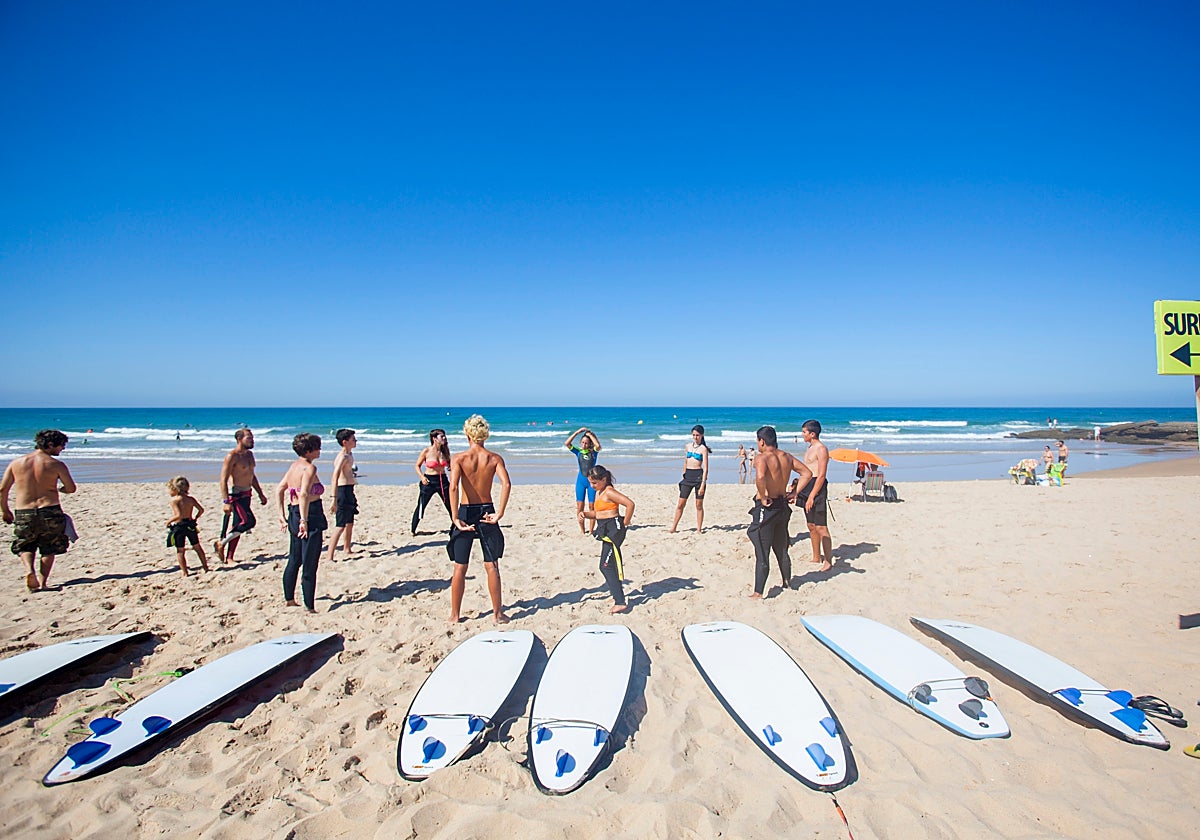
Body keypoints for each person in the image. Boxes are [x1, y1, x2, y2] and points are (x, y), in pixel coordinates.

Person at [447, 415, 512, 624]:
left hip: (466, 511)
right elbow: (506, 484)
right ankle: (497, 614)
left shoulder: (459, 458)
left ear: (467, 434)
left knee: (460, 566)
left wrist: (455, 517)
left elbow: (454, 487)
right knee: (491, 565)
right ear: (485, 435)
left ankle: (455, 615)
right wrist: (500, 512)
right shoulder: (494, 458)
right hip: (486, 510)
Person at [1, 429, 77, 592]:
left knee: (25, 545)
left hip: (24, 511)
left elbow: (3, 489)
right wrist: (60, 490)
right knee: (49, 547)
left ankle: (29, 570)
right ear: (50, 445)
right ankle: (43, 582)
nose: (62, 449)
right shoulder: (55, 464)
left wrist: (5, 510)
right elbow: (71, 488)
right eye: (61, 446)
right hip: (50, 510)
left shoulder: (16, 463)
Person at [747, 426, 812, 599]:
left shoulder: (762, 458)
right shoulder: (786, 457)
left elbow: (760, 477)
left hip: (768, 506)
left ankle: (758, 592)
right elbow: (807, 473)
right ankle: (787, 582)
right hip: (783, 505)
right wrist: (795, 492)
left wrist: (761, 496)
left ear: (761, 441)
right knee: (781, 547)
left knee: (762, 549)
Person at [276, 433, 327, 614]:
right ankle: (309, 606)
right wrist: (304, 521)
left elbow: (280, 489)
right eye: (317, 447)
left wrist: (282, 516)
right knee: (309, 561)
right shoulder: (308, 468)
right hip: (309, 515)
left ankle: (289, 599)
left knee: (295, 558)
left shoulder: (293, 466)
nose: (320, 450)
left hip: (294, 513)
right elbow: (304, 493)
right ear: (309, 450)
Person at [578, 465, 635, 614]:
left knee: (605, 565)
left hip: (614, 530)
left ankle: (620, 602)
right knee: (610, 564)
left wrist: (625, 523)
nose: (592, 486)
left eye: (594, 483)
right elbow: (599, 514)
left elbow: (630, 504)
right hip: (605, 528)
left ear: (604, 479)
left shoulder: (609, 491)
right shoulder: (600, 492)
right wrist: (585, 514)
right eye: (590, 482)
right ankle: (617, 595)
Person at [215, 428, 268, 564]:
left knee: (238, 525)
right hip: (236, 494)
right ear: (239, 439)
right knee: (247, 522)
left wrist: (260, 493)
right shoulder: (232, 456)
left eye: (252, 438)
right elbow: (223, 479)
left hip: (247, 493)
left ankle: (229, 556)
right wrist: (226, 501)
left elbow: (252, 475)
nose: (252, 440)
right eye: (249, 438)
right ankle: (222, 544)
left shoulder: (250, 455)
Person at [792, 419, 832, 572]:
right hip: (807, 485)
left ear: (812, 433)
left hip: (818, 487)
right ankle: (816, 556)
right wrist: (796, 488)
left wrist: (812, 496)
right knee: (811, 525)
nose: (802, 435)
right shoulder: (809, 448)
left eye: (804, 432)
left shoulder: (821, 449)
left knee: (821, 527)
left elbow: (821, 475)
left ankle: (828, 561)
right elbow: (806, 471)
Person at [669, 425, 710, 533]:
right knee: (681, 504)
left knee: (699, 505)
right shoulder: (687, 446)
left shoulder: (703, 449)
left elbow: (705, 468)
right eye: (694, 435)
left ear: (702, 435)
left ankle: (699, 529)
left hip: (698, 477)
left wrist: (702, 484)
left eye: (697, 435)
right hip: (688, 477)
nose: (695, 437)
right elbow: (685, 462)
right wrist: (684, 474)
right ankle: (673, 528)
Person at [325, 429, 358, 562]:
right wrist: (334, 499)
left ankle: (347, 548)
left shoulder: (350, 454)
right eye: (353, 439)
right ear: (345, 442)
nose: (355, 441)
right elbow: (335, 477)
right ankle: (329, 556)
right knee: (341, 525)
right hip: (342, 491)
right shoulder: (342, 457)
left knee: (350, 522)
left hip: (349, 489)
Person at [166, 476, 209, 576]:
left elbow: (178, 515)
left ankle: (185, 572)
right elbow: (201, 510)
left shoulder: (175, 501)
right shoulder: (191, 499)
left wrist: (168, 521)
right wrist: (195, 517)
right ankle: (205, 567)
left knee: (180, 550)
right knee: (197, 547)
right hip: (190, 524)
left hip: (180, 526)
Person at [411, 428, 452, 534]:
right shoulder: (427, 451)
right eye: (441, 436)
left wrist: (450, 467)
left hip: (442, 481)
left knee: (450, 504)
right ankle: (413, 529)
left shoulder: (445, 451)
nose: (444, 438)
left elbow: (449, 465)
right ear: (434, 439)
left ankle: (455, 526)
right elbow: (417, 466)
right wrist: (422, 477)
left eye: (444, 436)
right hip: (429, 481)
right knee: (421, 505)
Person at [564, 427, 602, 534]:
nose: (584, 445)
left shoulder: (594, 453)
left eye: (586, 443)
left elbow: (598, 446)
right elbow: (567, 443)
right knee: (580, 507)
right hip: (580, 482)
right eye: (583, 442)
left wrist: (590, 435)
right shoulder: (578, 452)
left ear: (589, 444)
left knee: (591, 507)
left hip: (591, 483)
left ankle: (590, 531)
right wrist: (577, 432)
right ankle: (582, 530)